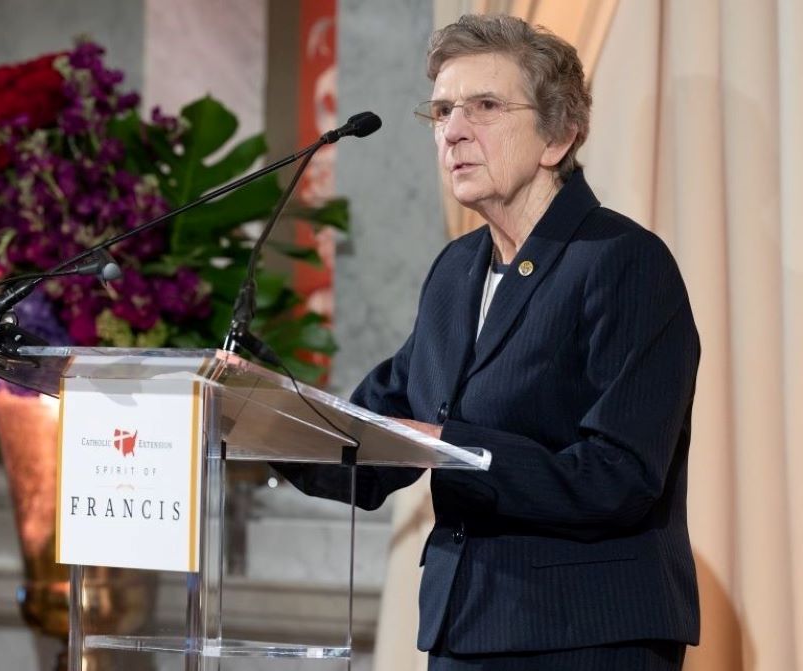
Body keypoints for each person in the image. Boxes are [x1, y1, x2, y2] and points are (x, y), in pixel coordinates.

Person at [278, 13, 700, 671]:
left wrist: (457, 449)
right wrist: (252, 419)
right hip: (464, 628)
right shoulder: (455, 272)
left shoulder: (623, 262)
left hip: (583, 634)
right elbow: (376, 432)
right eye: (443, 110)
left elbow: (619, 477)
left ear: (558, 135)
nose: (452, 131)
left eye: (484, 106)